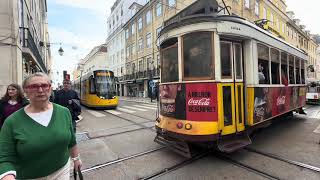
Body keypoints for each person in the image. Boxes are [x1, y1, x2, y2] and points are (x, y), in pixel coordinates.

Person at [0, 72, 81, 179]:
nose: (40, 90)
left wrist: (76, 158)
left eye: (44, 85)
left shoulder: (64, 112)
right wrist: (7, 176)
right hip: (29, 176)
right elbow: (5, 157)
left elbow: (71, 140)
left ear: (50, 88)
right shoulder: (12, 121)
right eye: (34, 86)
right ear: (25, 90)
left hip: (62, 171)